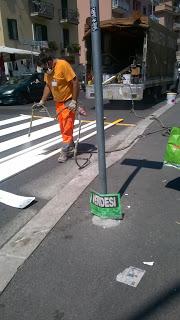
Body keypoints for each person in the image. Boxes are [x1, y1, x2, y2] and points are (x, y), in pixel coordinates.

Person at [37, 52, 86, 163]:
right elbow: (48, 86)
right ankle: (71, 147)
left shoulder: (62, 64)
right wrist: (42, 101)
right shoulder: (48, 72)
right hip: (58, 103)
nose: (44, 70)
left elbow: (75, 82)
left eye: (44, 67)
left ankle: (65, 151)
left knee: (67, 128)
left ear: (49, 62)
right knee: (63, 128)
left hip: (68, 102)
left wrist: (74, 101)